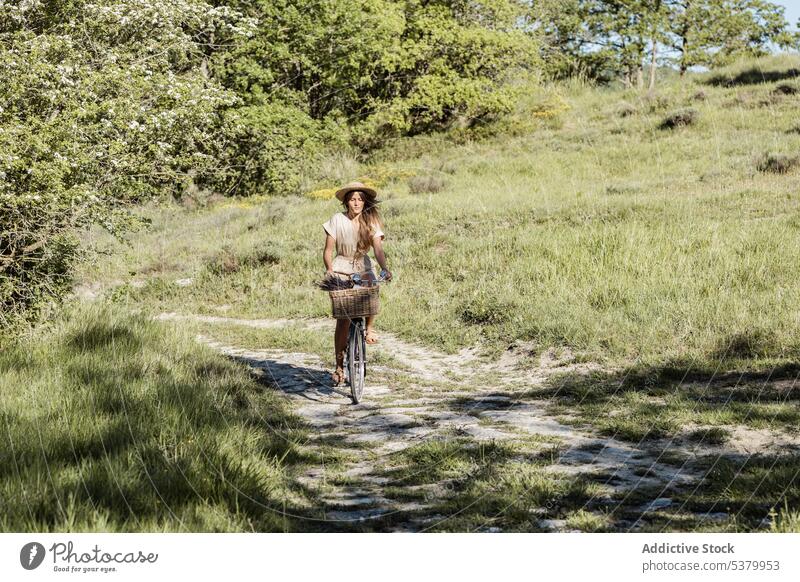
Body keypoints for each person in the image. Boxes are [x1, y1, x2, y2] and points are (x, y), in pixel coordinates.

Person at [322, 181, 392, 386]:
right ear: (346, 201)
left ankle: (369, 329)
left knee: (371, 290)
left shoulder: (371, 221)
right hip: (341, 265)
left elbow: (378, 249)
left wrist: (385, 267)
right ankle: (339, 366)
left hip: (363, 264)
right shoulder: (336, 219)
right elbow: (328, 250)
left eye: (360, 199)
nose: (356, 203)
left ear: (365, 202)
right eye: (352, 199)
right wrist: (329, 269)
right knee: (342, 320)